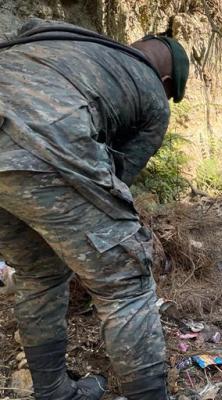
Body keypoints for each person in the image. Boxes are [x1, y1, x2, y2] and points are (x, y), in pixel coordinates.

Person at [0, 19, 189, 400]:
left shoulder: (76, 48)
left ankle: (53, 391)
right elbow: (117, 178)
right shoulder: (151, 91)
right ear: (168, 83)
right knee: (124, 279)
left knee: (38, 270)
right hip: (41, 142)